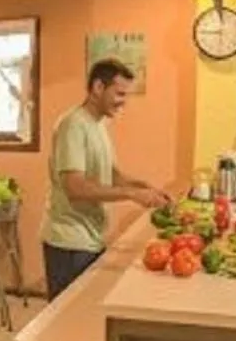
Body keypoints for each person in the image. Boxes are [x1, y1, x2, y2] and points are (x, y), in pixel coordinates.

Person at [42, 58, 169, 301]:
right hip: (69, 241)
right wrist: (131, 195)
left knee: (85, 311)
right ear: (98, 87)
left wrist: (143, 187)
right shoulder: (73, 125)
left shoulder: (98, 124)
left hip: (90, 237)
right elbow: (75, 187)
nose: (124, 101)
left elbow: (111, 174)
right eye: (120, 93)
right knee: (70, 319)